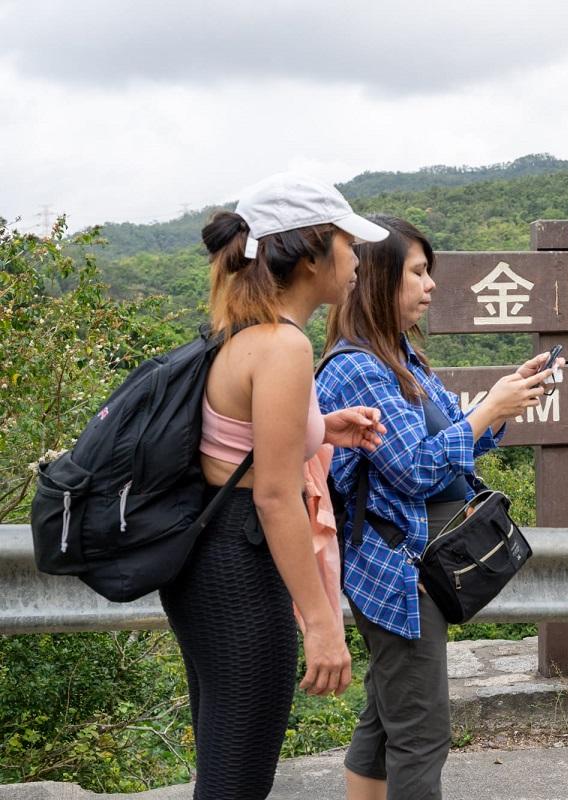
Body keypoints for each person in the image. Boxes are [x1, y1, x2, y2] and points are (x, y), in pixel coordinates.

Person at [316, 215, 561, 800]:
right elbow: (414, 469)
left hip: (416, 567)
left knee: (386, 717)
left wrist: (501, 403)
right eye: (418, 273)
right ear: (377, 279)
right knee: (422, 734)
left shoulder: (401, 357)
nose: (431, 286)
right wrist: (486, 410)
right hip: (398, 573)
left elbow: (449, 440)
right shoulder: (356, 368)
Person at [160, 172, 388, 800]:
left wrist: (322, 429)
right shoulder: (284, 344)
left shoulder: (240, 331)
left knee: (221, 763)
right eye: (349, 244)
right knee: (237, 780)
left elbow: (240, 444)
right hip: (241, 562)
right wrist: (320, 620)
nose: (358, 260)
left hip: (203, 560)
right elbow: (274, 494)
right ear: (312, 252)